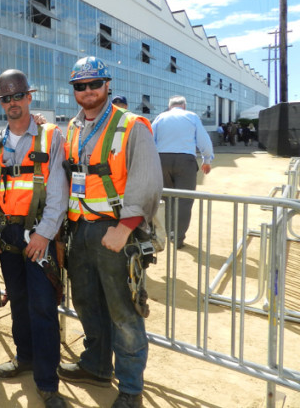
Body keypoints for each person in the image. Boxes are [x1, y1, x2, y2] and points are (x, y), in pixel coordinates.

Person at [58, 56, 162, 408]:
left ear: (107, 85)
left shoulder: (131, 125)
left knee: (123, 311)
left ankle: (131, 388)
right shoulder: (72, 128)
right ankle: (96, 365)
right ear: (74, 90)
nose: (87, 91)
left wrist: (125, 227)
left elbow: (146, 180)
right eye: (80, 86)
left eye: (93, 84)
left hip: (116, 231)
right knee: (86, 302)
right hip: (81, 230)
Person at [0, 69, 68, 408]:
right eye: (6, 98)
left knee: (43, 306)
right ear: (0, 102)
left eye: (18, 96)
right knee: (17, 300)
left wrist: (44, 234)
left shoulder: (49, 136)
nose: (12, 103)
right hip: (7, 236)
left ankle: (47, 381)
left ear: (29, 97)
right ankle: (25, 357)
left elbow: (58, 192)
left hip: (39, 234)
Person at [152, 95, 213, 249]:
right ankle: (177, 238)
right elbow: (203, 140)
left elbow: (150, 139)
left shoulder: (160, 117)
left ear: (169, 106)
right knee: (184, 201)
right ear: (184, 106)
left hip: (161, 159)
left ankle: (163, 233)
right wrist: (207, 159)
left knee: (165, 198)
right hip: (185, 160)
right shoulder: (191, 116)